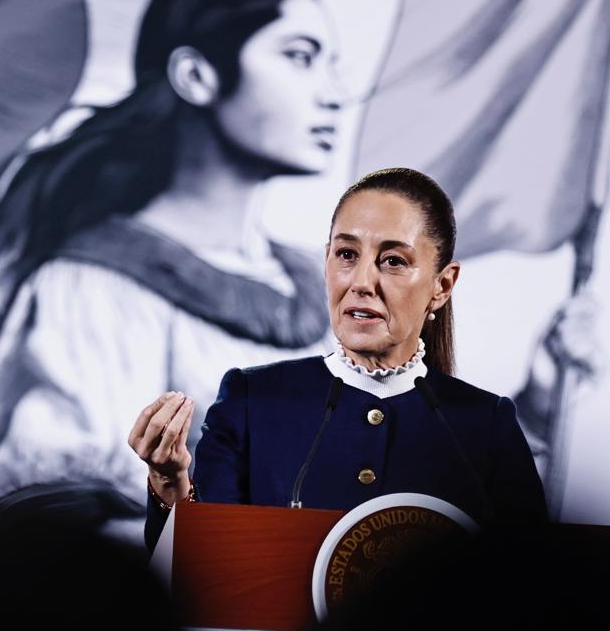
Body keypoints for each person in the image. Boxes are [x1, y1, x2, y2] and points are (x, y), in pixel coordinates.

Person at [0, 0, 344, 552]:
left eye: (334, 65)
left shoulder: (324, 285)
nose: (333, 94)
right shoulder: (93, 287)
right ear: (196, 75)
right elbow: (61, 524)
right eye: (300, 58)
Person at [132, 166, 546, 539]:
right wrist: (170, 483)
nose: (361, 281)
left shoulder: (485, 426)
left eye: (393, 261)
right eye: (346, 254)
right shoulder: (251, 400)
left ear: (442, 285)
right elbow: (202, 582)